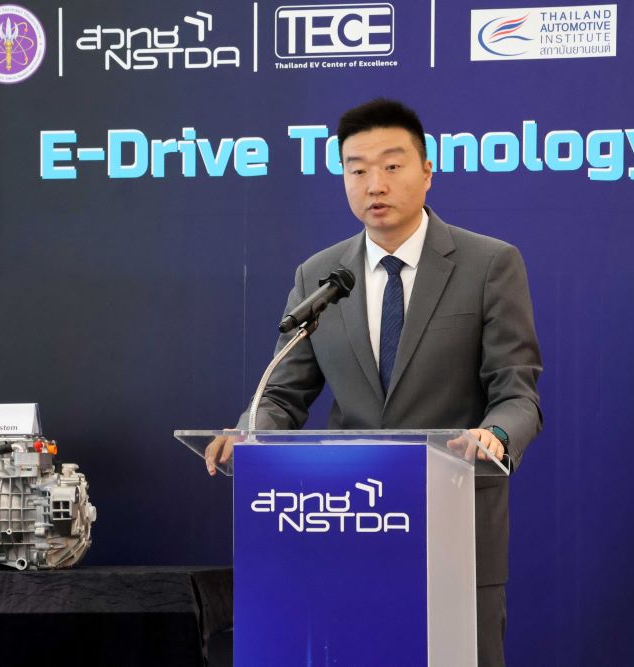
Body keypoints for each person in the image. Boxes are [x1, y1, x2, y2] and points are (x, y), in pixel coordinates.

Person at [205, 98, 542, 665]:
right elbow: (282, 393)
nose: (374, 184)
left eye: (391, 165)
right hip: (348, 527)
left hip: (454, 529)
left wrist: (496, 436)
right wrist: (250, 434)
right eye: (357, 169)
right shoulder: (320, 275)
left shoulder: (489, 264)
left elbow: (517, 392)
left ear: (427, 172)